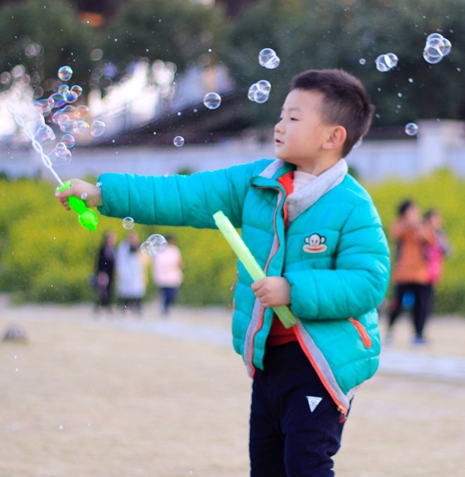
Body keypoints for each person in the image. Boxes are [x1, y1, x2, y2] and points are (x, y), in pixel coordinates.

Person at [57, 69, 389, 477]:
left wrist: (293, 288)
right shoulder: (255, 183)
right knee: (266, 467)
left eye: (294, 118)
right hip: (269, 357)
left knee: (306, 464)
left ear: (333, 137)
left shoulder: (353, 205)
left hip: (323, 363)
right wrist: (103, 194)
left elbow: (368, 282)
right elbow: (183, 195)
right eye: (282, 114)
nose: (279, 125)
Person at [386, 200, 435, 345]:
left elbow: (430, 239)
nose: (414, 214)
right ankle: (389, 331)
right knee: (397, 304)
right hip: (403, 272)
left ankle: (418, 334)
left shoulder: (422, 226)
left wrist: (418, 227)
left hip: (420, 273)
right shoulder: (400, 225)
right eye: (411, 211)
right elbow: (395, 233)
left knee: (421, 305)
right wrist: (408, 224)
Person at [423, 209, 450, 313]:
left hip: (433, 269)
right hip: (420, 269)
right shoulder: (423, 232)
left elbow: (448, 251)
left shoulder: (440, 234)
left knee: (428, 297)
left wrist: (441, 239)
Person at [116, 231, 148, 316]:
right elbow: (120, 261)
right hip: (126, 273)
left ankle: (137, 308)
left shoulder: (140, 249)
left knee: (138, 292)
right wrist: (124, 273)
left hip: (137, 274)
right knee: (126, 292)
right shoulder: (123, 248)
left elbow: (144, 261)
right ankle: (125, 308)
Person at [152, 235, 184, 316]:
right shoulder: (160, 250)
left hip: (173, 277)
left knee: (172, 295)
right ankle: (165, 309)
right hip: (163, 277)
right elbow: (158, 264)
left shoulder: (175, 250)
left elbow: (180, 262)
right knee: (165, 295)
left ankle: (166, 307)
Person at [93, 231, 117, 315]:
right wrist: (100, 272)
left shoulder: (114, 249)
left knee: (110, 291)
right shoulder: (103, 249)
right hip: (104, 273)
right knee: (103, 292)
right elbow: (99, 262)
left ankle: (107, 307)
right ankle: (102, 307)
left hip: (111, 274)